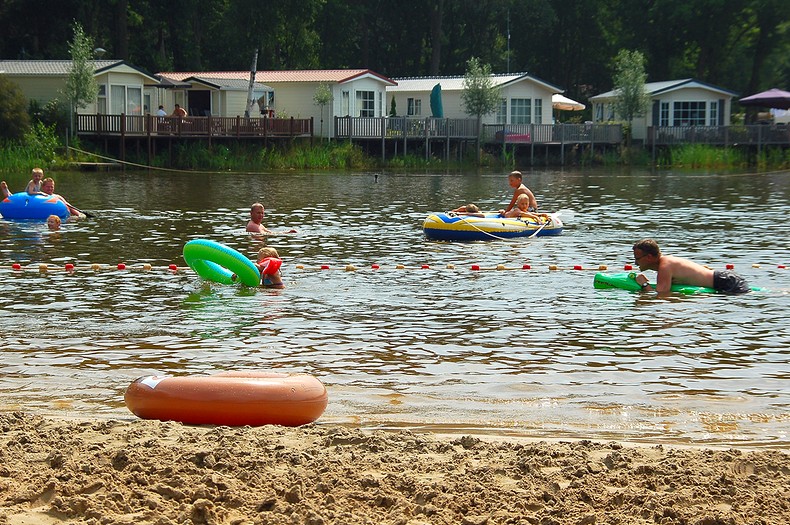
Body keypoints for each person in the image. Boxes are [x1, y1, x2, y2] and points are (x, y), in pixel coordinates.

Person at [632, 239, 751, 295]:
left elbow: (661, 295)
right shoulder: (667, 262)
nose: (635, 263)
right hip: (725, 280)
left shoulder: (665, 265)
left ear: (648, 257)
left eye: (637, 259)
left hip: (727, 282)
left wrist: (643, 284)